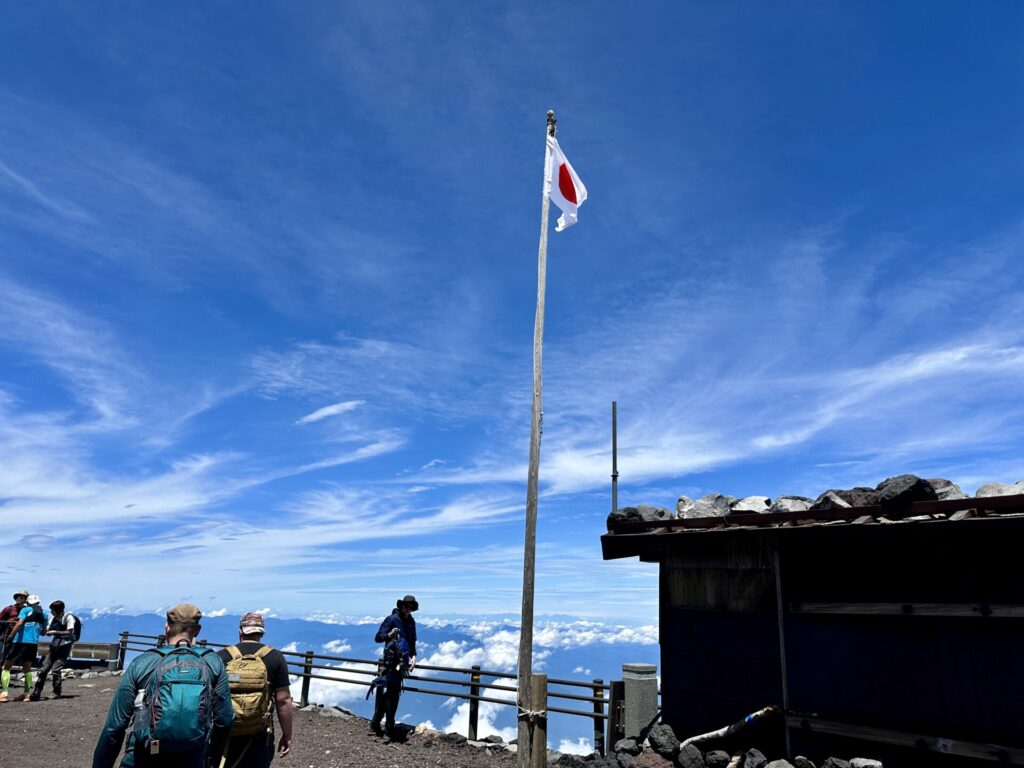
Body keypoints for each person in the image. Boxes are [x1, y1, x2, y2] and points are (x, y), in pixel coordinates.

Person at [92, 604, 234, 768]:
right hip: (192, 759)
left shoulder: (143, 662)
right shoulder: (212, 662)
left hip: (142, 758)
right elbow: (225, 720)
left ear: (167, 628)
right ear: (197, 630)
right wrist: (210, 760)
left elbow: (114, 726)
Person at [216, 612, 293, 767]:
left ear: (240, 632)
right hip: (259, 735)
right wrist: (287, 734)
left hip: (225, 734)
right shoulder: (275, 657)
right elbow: (283, 700)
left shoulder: (222, 656)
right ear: (261, 633)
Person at [370, 594, 418, 740]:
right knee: (393, 695)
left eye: (410, 607)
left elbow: (412, 642)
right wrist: (389, 634)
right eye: (405, 606)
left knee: (391, 693)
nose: (407, 610)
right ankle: (388, 728)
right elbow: (378, 637)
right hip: (391, 663)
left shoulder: (411, 622)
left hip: (402, 664)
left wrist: (414, 656)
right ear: (401, 606)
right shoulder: (392, 619)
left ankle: (376, 723)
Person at [30, 600, 78, 700]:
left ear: (58, 610)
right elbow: (47, 629)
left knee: (56, 669)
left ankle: (57, 692)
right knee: (44, 669)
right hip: (54, 646)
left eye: (52, 610)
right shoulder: (53, 619)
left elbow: (70, 631)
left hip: (64, 646)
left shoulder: (69, 617)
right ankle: (37, 691)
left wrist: (54, 632)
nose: (51, 612)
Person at [2, 592, 44, 702]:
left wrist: (10, 637)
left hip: (20, 642)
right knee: (27, 669)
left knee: (6, 666)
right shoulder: (44, 614)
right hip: (33, 644)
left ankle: (4, 693)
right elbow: (44, 632)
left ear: (28, 602)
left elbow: (19, 623)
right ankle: (26, 695)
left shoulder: (25, 610)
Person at [0, 590, 27, 666]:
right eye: (17, 597)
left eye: (21, 597)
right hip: (7, 635)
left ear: (25, 600)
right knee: (3, 656)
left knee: (13, 657)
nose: (18, 598)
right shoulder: (8, 609)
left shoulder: (27, 610)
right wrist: (7, 622)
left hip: (20, 636)